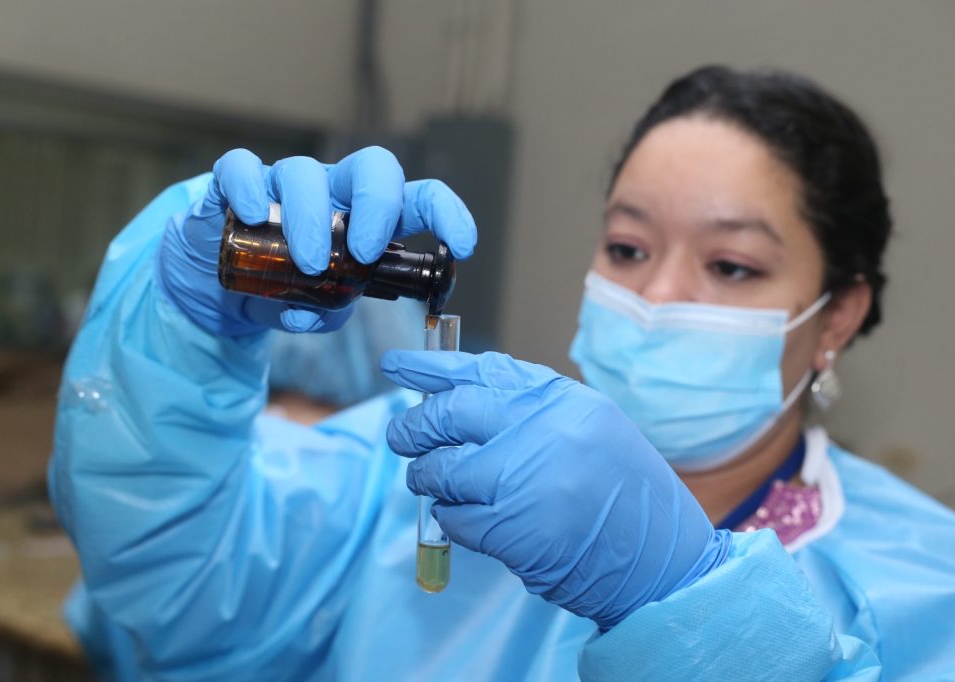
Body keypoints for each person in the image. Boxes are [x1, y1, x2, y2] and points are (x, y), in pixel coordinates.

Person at [49, 66, 955, 681]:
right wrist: (180, 323)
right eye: (628, 248)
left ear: (838, 314)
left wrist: (692, 611)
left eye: (731, 266)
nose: (655, 297)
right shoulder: (424, 468)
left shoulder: (924, 583)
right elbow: (174, 586)